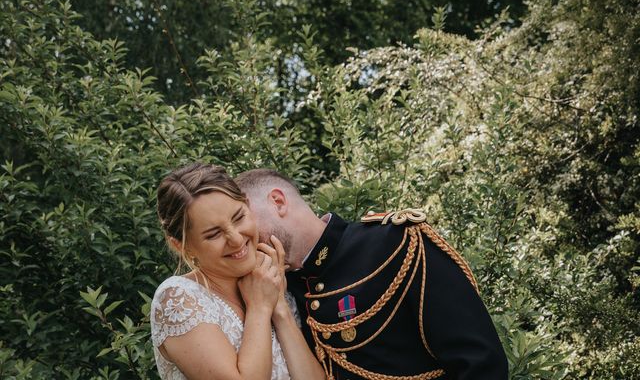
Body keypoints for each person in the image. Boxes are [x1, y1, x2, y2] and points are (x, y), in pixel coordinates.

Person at [235, 168, 509, 380]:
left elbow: (480, 362)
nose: (242, 236)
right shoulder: (279, 288)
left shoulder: (396, 243)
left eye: (243, 218)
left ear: (278, 201)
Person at [150, 163, 325, 380]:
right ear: (182, 246)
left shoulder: (268, 282)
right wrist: (260, 307)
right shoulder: (178, 299)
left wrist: (279, 308)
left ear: (247, 205)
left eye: (238, 217)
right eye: (214, 234)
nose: (236, 238)